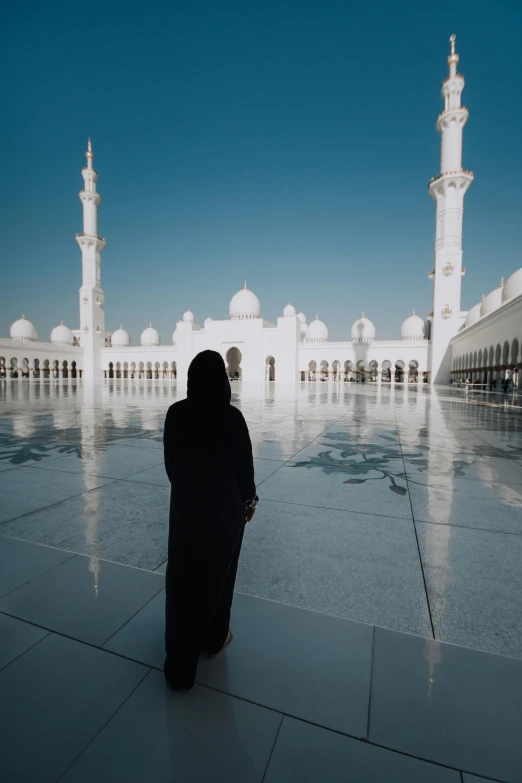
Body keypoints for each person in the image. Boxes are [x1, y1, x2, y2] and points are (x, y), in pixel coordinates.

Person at [163, 350, 258, 690]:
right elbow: (244, 471)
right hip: (224, 512)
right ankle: (214, 638)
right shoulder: (232, 418)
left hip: (186, 510)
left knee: (183, 579)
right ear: (222, 379)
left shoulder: (176, 414)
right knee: (219, 574)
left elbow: (170, 463)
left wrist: (188, 491)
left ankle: (179, 667)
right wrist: (250, 501)